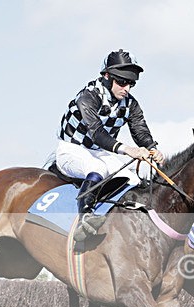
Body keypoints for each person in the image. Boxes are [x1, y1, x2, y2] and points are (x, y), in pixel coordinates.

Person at [56, 49, 165, 241]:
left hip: (98, 152)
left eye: (131, 84)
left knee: (132, 179)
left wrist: (152, 149)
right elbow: (97, 134)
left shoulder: (130, 104)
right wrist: (128, 150)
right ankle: (85, 218)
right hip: (71, 149)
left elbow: (139, 130)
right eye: (122, 82)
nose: (127, 89)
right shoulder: (89, 96)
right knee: (97, 167)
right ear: (107, 77)